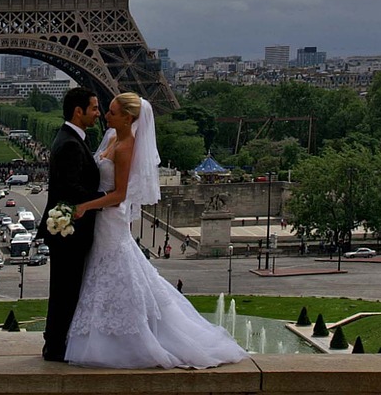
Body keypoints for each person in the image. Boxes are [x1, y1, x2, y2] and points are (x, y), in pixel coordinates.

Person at [64, 93, 247, 369]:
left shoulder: (127, 147)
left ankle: (124, 338)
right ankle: (111, 337)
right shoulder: (114, 139)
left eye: (112, 112)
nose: (105, 115)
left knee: (114, 274)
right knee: (110, 275)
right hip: (105, 222)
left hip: (111, 219)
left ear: (128, 118)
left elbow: (120, 194)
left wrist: (84, 206)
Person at [38, 87, 101, 362]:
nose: (98, 114)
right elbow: (71, 190)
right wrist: (106, 199)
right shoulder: (71, 144)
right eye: (95, 108)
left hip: (67, 231)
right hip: (70, 234)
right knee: (66, 290)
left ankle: (56, 342)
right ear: (79, 111)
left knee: (65, 289)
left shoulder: (71, 139)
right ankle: (55, 345)